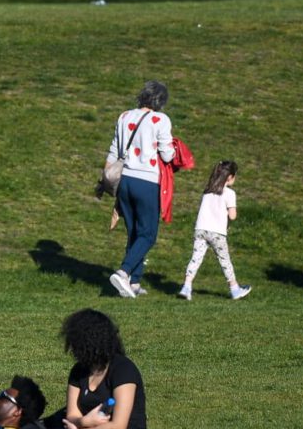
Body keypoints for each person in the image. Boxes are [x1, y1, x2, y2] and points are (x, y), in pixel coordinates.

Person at [108, 81, 175, 298]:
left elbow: (114, 149)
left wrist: (105, 179)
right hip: (147, 181)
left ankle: (134, 281)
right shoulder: (161, 120)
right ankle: (124, 271)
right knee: (148, 234)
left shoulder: (124, 116)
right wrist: (175, 152)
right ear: (160, 101)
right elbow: (167, 154)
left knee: (134, 232)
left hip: (125, 179)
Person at [54, 309, 148, 429]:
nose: (72, 347)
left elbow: (118, 427)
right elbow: (72, 415)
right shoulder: (79, 370)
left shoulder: (123, 369)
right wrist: (83, 422)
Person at [179, 160, 252, 301]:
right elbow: (233, 215)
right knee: (225, 260)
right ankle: (234, 289)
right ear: (229, 177)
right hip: (217, 233)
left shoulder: (207, 191)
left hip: (200, 229)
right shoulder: (229, 193)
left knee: (196, 257)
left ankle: (186, 286)